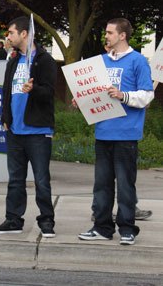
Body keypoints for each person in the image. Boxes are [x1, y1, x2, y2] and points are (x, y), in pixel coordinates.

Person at [78, 18, 154, 246]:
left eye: (110, 33)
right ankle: (102, 227)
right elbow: (93, 92)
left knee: (125, 185)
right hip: (103, 132)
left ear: (122, 36)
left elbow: (147, 96)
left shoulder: (138, 61)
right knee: (101, 185)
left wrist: (123, 95)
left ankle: (128, 229)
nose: (106, 36)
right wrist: (81, 99)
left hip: (126, 134)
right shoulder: (100, 61)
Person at [0, 16, 57, 238]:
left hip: (37, 131)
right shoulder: (13, 60)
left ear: (24, 34)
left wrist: (34, 89)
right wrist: (5, 116)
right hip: (15, 131)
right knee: (15, 179)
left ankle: (46, 221)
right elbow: (6, 92)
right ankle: (13, 219)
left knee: (41, 180)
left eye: (10, 33)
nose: (7, 37)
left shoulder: (44, 60)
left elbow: (49, 92)